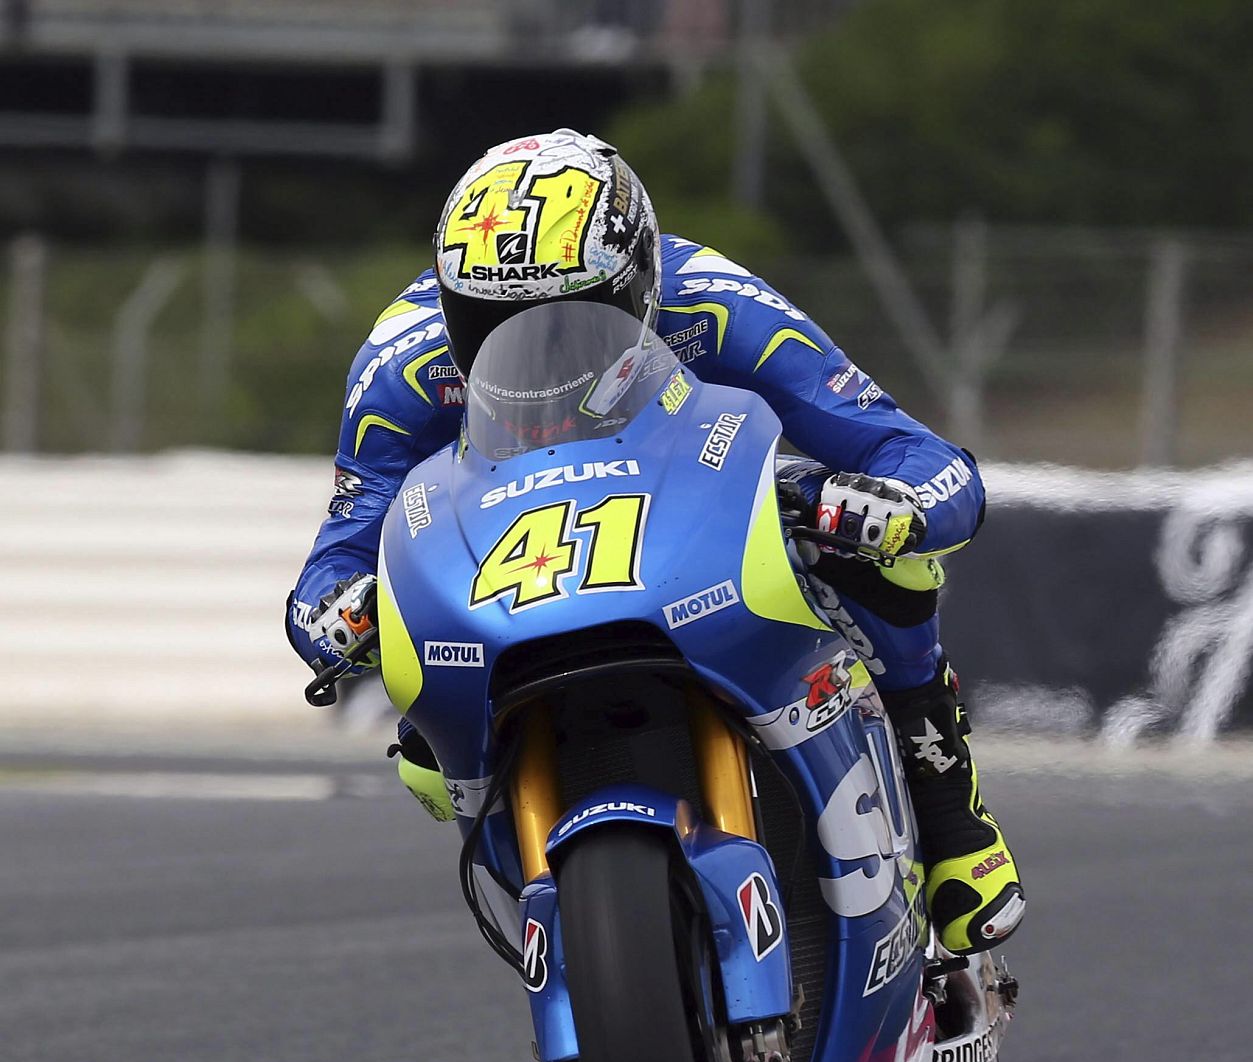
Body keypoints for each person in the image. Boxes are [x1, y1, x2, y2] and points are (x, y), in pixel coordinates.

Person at [287, 128, 1024, 956]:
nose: (544, 351)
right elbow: (345, 540)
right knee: (422, 756)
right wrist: (329, 613)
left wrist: (896, 506)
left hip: (684, 520)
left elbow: (909, 452)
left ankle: (941, 792)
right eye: (495, 321)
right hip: (514, 574)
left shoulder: (714, 303)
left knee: (880, 557)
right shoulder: (403, 364)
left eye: (577, 318)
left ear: (638, 280)